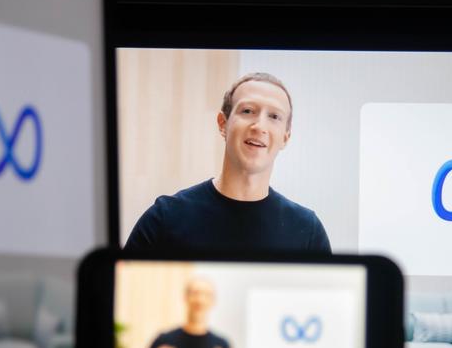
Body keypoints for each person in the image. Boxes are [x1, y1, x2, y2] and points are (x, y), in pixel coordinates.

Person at [124, 72, 331, 253]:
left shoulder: (307, 231)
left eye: (274, 116)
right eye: (248, 111)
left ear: (285, 137)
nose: (259, 126)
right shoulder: (165, 218)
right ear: (223, 124)